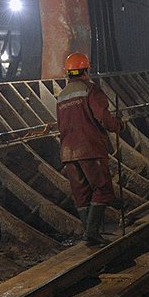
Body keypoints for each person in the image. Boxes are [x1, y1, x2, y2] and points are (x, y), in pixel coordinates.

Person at [56, 52, 122, 247]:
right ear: (86, 70)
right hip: (90, 149)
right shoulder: (90, 90)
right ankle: (92, 233)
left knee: (81, 194)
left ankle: (89, 234)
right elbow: (103, 116)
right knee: (102, 189)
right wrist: (118, 125)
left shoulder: (62, 95)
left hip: (67, 152)